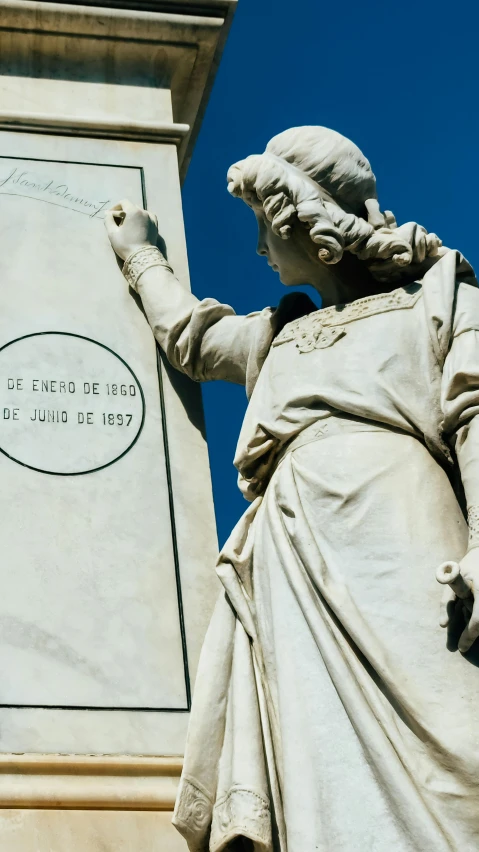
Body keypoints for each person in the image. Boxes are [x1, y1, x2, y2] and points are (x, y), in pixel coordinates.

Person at [105, 126, 479, 852]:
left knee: (453, 733)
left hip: (399, 525)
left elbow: (476, 417)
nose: (256, 251)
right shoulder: (279, 334)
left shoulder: (437, 296)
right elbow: (191, 335)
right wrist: (140, 253)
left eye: (259, 231)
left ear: (297, 224)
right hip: (293, 549)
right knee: (321, 762)